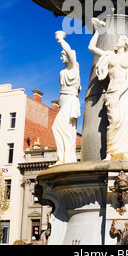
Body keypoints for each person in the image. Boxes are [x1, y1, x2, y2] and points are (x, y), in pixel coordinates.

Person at [88, 18, 128, 161]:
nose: (117, 41)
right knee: (114, 121)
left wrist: (119, 93)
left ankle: (125, 152)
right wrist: (98, 31)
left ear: (125, 43)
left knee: (127, 121)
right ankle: (111, 152)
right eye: (117, 40)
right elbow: (92, 47)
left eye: (121, 39)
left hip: (126, 90)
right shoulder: (109, 55)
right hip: (112, 90)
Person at [52, 31, 81, 164]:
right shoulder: (62, 71)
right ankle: (65, 158)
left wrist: (60, 40)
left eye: (62, 55)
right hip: (63, 100)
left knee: (57, 127)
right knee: (67, 129)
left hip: (70, 99)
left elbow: (70, 52)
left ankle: (62, 157)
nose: (60, 58)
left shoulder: (73, 67)